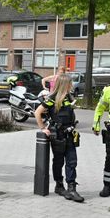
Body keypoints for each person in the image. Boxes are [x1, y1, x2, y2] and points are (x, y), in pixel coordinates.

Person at [34, 74, 83, 202]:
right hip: (58, 135)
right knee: (59, 161)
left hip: (69, 133)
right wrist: (43, 128)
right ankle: (59, 186)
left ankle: (72, 188)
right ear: (64, 85)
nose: (71, 86)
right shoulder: (52, 98)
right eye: (70, 84)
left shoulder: (68, 97)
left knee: (72, 161)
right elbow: (37, 112)